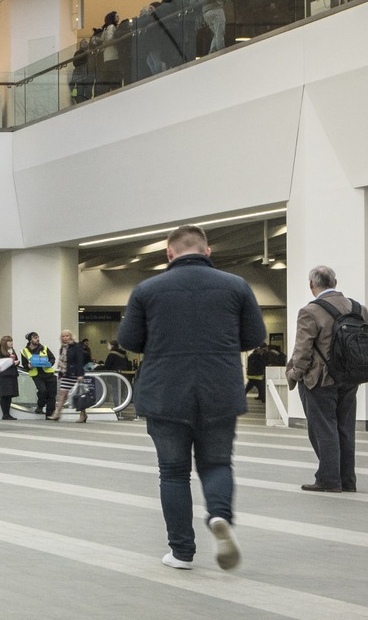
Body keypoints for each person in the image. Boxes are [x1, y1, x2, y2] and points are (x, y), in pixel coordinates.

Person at [117, 223, 265, 571]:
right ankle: (219, 516)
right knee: (216, 463)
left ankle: (182, 552)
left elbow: (128, 340)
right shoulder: (236, 286)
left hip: (166, 392)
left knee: (172, 473)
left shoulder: (147, 289)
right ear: (207, 251)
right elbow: (255, 335)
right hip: (220, 389)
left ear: (169, 253)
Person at [285, 264, 365, 493]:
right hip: (350, 379)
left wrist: (294, 375)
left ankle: (329, 479)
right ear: (335, 282)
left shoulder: (310, 311)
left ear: (312, 284)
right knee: (345, 428)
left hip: (319, 380)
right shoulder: (358, 309)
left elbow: (303, 351)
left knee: (323, 429)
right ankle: (347, 480)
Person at [54, 329, 94, 422]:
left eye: (67, 336)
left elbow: (79, 361)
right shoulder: (62, 348)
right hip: (66, 374)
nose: (65, 338)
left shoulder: (76, 346)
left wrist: (80, 374)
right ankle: (57, 413)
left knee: (79, 394)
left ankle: (82, 414)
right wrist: (60, 372)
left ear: (71, 336)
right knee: (62, 393)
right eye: (63, 336)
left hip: (74, 374)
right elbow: (62, 361)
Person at [21, 333, 57, 421]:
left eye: (38, 337)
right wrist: (28, 366)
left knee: (52, 394)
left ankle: (50, 414)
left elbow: (52, 358)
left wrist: (50, 363)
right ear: (30, 340)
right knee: (42, 391)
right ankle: (40, 405)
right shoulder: (24, 351)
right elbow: (24, 364)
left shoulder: (44, 348)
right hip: (37, 375)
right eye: (35, 338)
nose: (37, 339)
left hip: (48, 374)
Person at [0, 336, 20, 420]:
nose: (11, 342)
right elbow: (0, 363)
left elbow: (16, 360)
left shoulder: (12, 351)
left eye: (12, 341)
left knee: (9, 395)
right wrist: (12, 363)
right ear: (4, 343)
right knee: (5, 394)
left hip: (12, 374)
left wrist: (16, 363)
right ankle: (5, 414)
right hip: (5, 375)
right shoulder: (0, 352)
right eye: (9, 341)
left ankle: (8, 413)